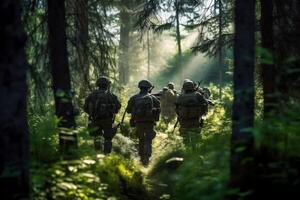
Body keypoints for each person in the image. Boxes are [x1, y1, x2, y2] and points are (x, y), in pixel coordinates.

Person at [84, 76, 121, 154]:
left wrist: (92, 114)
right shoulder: (111, 95)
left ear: (98, 84)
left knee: (96, 137)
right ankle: (106, 156)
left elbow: (85, 107)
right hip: (107, 120)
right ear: (107, 85)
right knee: (108, 138)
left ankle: (97, 155)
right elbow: (118, 106)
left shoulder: (92, 95)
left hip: (95, 120)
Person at [126, 80, 160, 165]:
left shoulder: (134, 98)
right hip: (149, 122)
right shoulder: (152, 98)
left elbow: (128, 110)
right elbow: (158, 109)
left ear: (139, 87)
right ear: (148, 88)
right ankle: (147, 158)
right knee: (148, 139)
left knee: (141, 139)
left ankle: (141, 158)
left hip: (139, 122)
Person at [175, 80, 208, 150]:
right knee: (196, 139)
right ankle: (195, 152)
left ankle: (187, 151)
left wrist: (181, 115)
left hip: (184, 122)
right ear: (192, 87)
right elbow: (205, 103)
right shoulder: (197, 95)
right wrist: (202, 113)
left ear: (184, 88)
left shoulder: (180, 96)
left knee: (185, 139)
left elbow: (176, 109)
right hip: (195, 121)